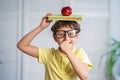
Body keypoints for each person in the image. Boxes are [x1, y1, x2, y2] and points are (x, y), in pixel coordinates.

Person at [17, 13, 92, 80]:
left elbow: (84, 76)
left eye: (71, 34)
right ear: (55, 38)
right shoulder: (49, 54)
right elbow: (22, 46)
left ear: (77, 36)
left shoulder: (80, 53)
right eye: (61, 34)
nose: (66, 38)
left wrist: (68, 51)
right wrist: (41, 27)